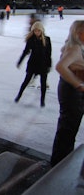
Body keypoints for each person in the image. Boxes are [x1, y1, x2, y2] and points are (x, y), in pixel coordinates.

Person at [50, 20, 84, 166]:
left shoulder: (76, 47)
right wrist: (78, 85)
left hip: (70, 90)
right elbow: (60, 67)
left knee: (68, 128)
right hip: (71, 92)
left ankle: (61, 162)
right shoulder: (74, 48)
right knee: (68, 129)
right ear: (78, 33)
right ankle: (58, 164)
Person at [14, 21, 52, 107]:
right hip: (33, 63)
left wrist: (49, 65)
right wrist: (20, 61)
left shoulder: (47, 39)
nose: (37, 32)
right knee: (26, 81)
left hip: (43, 64)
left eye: (38, 31)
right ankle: (19, 95)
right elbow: (25, 51)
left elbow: (49, 53)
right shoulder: (31, 40)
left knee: (43, 83)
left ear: (41, 30)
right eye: (35, 31)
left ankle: (42, 100)